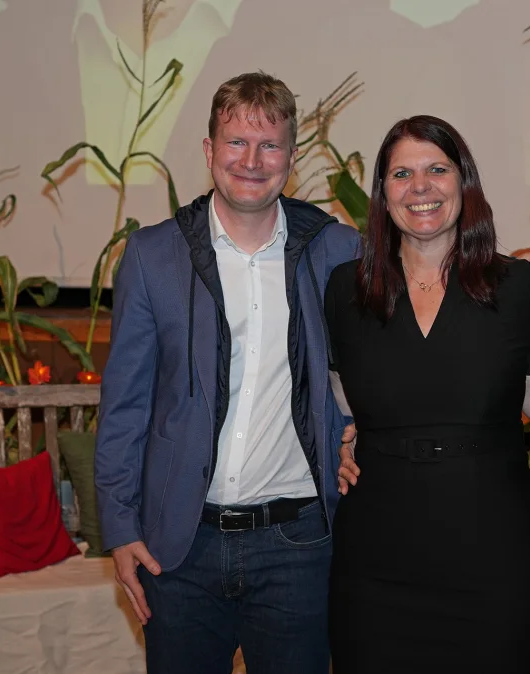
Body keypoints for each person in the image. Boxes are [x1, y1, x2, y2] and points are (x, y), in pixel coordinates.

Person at [93, 71, 360, 674]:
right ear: (210, 152)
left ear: (291, 159)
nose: (252, 160)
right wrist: (119, 527)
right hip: (180, 546)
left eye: (270, 145)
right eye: (236, 142)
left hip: (299, 544)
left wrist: (354, 427)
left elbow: (384, 355)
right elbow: (125, 405)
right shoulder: (154, 255)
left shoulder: (336, 250)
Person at [324, 115, 530, 674]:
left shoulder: (518, 287)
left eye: (436, 169)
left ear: (464, 182)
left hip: (494, 554)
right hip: (378, 558)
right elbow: (337, 403)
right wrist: (340, 439)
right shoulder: (345, 290)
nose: (420, 186)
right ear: (383, 194)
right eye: (401, 173)